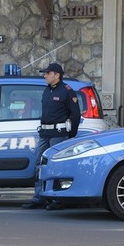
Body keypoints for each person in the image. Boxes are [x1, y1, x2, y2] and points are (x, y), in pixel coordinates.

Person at [22, 62, 81, 210]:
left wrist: (70, 135)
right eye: (45, 73)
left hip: (59, 134)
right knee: (39, 165)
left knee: (56, 167)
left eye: (48, 73)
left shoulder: (67, 91)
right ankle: (39, 197)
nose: (45, 76)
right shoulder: (47, 90)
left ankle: (58, 199)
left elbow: (75, 115)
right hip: (45, 133)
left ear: (57, 75)